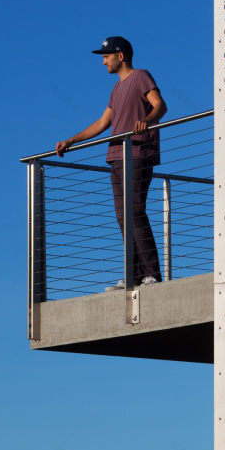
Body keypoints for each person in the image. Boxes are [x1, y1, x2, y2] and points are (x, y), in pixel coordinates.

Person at [56, 37, 168, 290]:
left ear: (121, 55)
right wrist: (71, 140)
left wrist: (147, 120)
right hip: (116, 157)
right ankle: (134, 275)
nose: (102, 61)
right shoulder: (116, 89)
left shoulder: (141, 76)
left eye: (106, 55)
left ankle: (152, 274)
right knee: (122, 216)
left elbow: (160, 105)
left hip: (137, 152)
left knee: (135, 210)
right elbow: (102, 122)